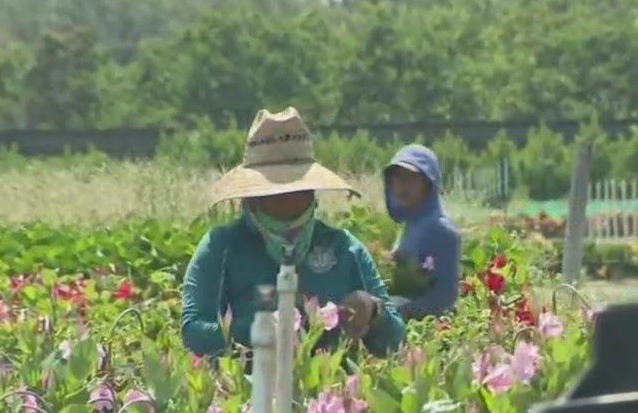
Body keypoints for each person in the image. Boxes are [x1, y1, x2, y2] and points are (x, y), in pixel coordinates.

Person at [181, 107, 406, 360]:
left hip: (328, 390)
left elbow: (394, 339)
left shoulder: (344, 249)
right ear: (251, 199)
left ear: (313, 194)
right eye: (274, 195)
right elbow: (194, 332)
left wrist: (374, 312)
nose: (287, 206)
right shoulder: (221, 248)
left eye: (298, 193)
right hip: (248, 390)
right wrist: (264, 327)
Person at [382, 144, 462, 319]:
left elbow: (445, 296)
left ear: (429, 182)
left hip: (426, 325)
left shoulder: (441, 230)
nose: (402, 185)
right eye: (397, 177)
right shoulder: (411, 222)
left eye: (411, 177)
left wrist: (399, 312)